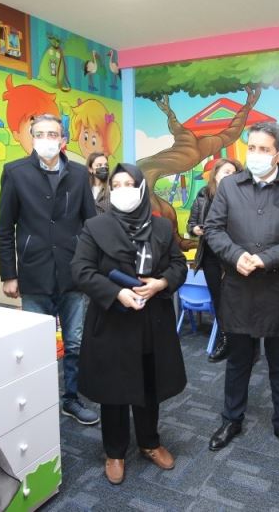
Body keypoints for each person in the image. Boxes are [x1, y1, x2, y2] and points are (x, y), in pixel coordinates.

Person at [204, 121, 279, 460]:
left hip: (278, 291)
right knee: (238, 361)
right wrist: (236, 255)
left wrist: (267, 259)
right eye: (251, 147)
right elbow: (213, 228)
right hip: (238, 289)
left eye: (264, 149)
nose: (255, 154)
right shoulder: (229, 186)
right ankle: (231, 420)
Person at [71, 163, 187, 485]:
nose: (122, 190)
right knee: (114, 389)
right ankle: (115, 452)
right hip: (113, 321)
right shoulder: (95, 227)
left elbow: (178, 264)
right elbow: (81, 270)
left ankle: (150, 442)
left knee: (150, 384)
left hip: (153, 321)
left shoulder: (161, 227)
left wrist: (161, 283)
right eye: (117, 184)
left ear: (141, 189)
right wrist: (117, 292)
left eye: (129, 184)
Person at [0, 113, 99, 425]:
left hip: (72, 273)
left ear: (63, 140)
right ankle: (37, 403)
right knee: (35, 346)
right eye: (39, 134)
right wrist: (9, 274)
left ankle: (71, 399)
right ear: (31, 138)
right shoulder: (15, 172)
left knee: (75, 343)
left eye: (52, 134)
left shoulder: (79, 174)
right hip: (33, 272)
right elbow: (6, 228)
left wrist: (91, 267)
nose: (45, 139)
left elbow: (91, 224)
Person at [187, 158, 242, 362]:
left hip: (232, 257)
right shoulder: (203, 195)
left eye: (234, 173)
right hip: (210, 256)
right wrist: (195, 229)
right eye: (226, 171)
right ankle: (225, 338)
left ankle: (239, 339)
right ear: (215, 174)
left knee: (234, 299)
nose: (230, 176)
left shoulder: (241, 197)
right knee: (218, 299)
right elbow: (190, 224)